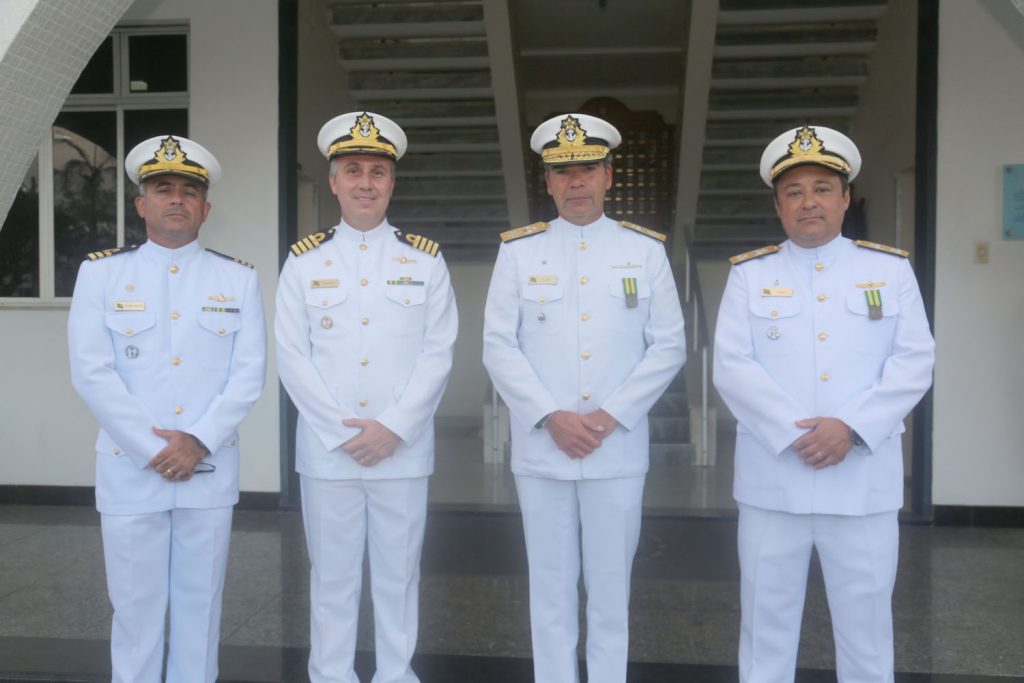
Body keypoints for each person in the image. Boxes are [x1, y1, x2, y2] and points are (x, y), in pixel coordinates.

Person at [713, 125, 936, 682]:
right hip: (774, 480)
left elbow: (914, 362)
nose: (808, 201)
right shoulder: (749, 274)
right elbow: (731, 366)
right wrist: (798, 435)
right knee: (765, 631)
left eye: (821, 187)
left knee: (866, 635)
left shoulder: (889, 270)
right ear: (778, 204)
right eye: (794, 191)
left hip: (861, 481)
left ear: (845, 199)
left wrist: (851, 428)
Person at [482, 113, 686, 683]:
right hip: (544, 449)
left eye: (588, 169)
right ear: (546, 182)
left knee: (610, 590)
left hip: (614, 449)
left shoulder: (644, 251)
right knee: (548, 587)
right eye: (562, 171)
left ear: (609, 175)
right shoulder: (519, 253)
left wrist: (607, 416)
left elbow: (669, 346)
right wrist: (551, 416)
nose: (576, 181)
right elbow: (498, 345)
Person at [68, 134, 267, 682]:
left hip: (206, 466)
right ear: (141, 205)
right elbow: (91, 371)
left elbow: (247, 375)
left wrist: (196, 441)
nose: (176, 199)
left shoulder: (238, 279)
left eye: (188, 191)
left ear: (206, 207)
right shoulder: (102, 274)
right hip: (131, 469)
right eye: (162, 189)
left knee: (201, 610)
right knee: (135, 610)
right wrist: (155, 448)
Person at [275, 111, 458, 683]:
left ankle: (396, 675)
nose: (365, 182)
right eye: (352, 170)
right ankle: (330, 676)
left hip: (401, 453)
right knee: (331, 578)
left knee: (398, 578)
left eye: (377, 171)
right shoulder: (304, 262)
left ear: (392, 183)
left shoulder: (425, 260)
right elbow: (291, 354)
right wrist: (342, 431)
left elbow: (439, 352)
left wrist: (393, 428)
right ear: (333, 181)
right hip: (330, 456)